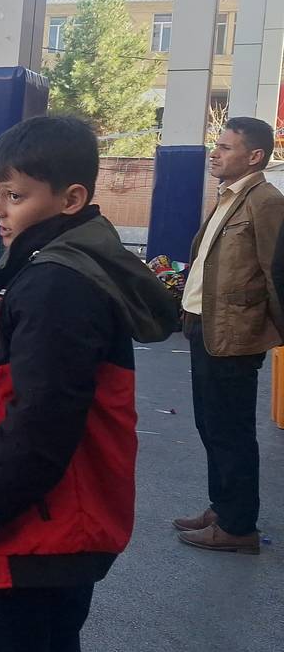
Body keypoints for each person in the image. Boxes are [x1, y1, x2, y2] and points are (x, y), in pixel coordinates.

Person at [0, 115, 176, 651]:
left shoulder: (58, 285)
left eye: (15, 194)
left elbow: (40, 428)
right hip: (26, 530)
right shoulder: (33, 271)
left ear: (71, 198)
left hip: (29, 538)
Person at [175, 117, 284, 554]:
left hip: (234, 335)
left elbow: (277, 273)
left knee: (231, 430)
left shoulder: (266, 202)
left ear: (254, 156)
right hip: (207, 327)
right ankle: (222, 507)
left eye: (224, 146)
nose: (214, 153)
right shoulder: (229, 197)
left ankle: (239, 527)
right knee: (210, 423)